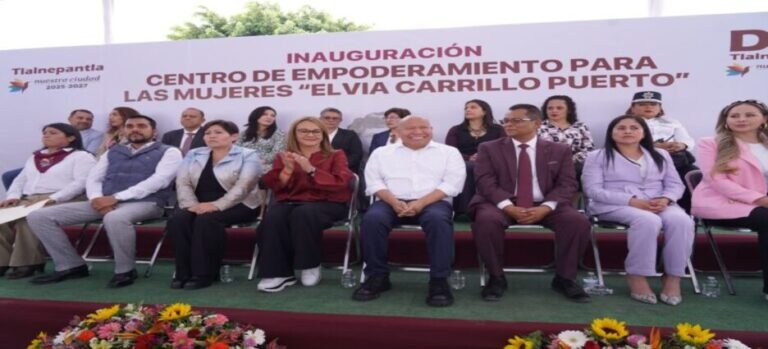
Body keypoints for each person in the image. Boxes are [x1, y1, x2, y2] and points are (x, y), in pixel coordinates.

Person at [27, 115, 182, 288]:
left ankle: (125, 270)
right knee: (39, 216)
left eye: (141, 126)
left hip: (147, 203)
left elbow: (160, 180)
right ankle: (70, 265)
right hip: (103, 201)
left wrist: (116, 198)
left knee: (115, 217)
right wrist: (95, 198)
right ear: (124, 130)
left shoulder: (169, 151)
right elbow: (94, 177)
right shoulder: (114, 151)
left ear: (154, 132)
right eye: (130, 126)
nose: (135, 129)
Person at [470, 104, 592, 303]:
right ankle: (496, 277)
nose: (508, 124)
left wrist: (546, 207)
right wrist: (508, 206)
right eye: (506, 120)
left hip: (546, 203)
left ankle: (565, 278)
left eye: (516, 120)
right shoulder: (489, 148)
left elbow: (567, 183)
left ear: (536, 123)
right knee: (486, 220)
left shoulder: (559, 150)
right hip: (501, 203)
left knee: (577, 222)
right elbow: (485, 182)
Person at [582, 114, 694, 306]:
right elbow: (592, 190)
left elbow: (675, 184)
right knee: (648, 220)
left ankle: (673, 276)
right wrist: (632, 201)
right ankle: (637, 275)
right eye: (621, 128)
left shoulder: (661, 154)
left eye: (634, 128)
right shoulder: (597, 156)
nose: (627, 131)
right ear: (611, 133)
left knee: (682, 221)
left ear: (644, 133)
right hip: (614, 204)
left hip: (659, 202)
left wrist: (666, 198)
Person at [354, 116, 465, 307]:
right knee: (372, 219)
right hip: (390, 201)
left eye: (423, 127)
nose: (418, 132)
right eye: (410, 128)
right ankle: (377, 276)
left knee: (438, 220)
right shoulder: (381, 153)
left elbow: (452, 184)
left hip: (433, 201)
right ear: (397, 131)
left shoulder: (449, 152)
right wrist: (394, 202)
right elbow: (374, 183)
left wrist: (421, 203)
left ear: (431, 129)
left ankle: (439, 280)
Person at [256, 117, 353, 292]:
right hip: (292, 201)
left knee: (303, 214)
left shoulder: (336, 155)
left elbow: (341, 183)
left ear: (323, 134)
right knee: (273, 217)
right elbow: (274, 186)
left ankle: (310, 265)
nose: (310, 134)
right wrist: (287, 170)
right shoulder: (284, 156)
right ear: (294, 134)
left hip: (328, 203)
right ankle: (278, 273)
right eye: (304, 131)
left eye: (315, 131)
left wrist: (310, 169)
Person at [168, 120, 262, 290]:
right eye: (208, 133)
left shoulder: (248, 154)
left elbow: (245, 185)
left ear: (234, 136)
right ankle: (183, 273)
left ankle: (204, 274)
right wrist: (191, 205)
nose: (211, 136)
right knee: (179, 219)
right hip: (198, 203)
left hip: (240, 204)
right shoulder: (194, 153)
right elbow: (182, 181)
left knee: (207, 220)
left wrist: (216, 205)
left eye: (218, 132)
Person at [691, 100, 768, 301]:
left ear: (764, 119)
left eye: (749, 115)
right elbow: (716, 180)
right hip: (722, 203)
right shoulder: (710, 143)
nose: (741, 119)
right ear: (725, 121)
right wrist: (760, 199)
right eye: (734, 116)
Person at [0, 124, 96, 279]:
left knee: (29, 219)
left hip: (65, 198)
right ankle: (2, 262)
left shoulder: (81, 156)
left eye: (53, 132)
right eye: (45, 132)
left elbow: (81, 182)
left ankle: (28, 263)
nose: (46, 135)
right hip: (30, 198)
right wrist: (13, 196)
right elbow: (20, 180)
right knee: (2, 217)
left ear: (71, 138)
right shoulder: (35, 157)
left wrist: (54, 198)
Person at [627, 91, 696, 212]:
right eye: (642, 104)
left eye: (653, 104)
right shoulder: (626, 122)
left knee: (691, 174)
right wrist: (655, 146)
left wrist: (681, 145)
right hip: (641, 160)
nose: (648, 107)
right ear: (633, 108)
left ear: (660, 107)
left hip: (674, 160)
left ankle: (688, 211)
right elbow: (623, 143)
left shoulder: (672, 122)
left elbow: (687, 140)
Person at [2, 108, 104, 189]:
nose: (84, 121)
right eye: (80, 118)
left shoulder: (96, 136)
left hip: (70, 163)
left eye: (88, 119)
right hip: (48, 160)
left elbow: (91, 153)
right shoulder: (56, 129)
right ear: (70, 119)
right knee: (11, 177)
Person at [445, 99, 505, 215]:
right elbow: (450, 150)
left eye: (473, 107)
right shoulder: (455, 130)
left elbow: (503, 147)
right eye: (466, 108)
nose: (468, 110)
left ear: (484, 111)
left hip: (491, 161)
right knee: (468, 167)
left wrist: (484, 157)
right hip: (462, 162)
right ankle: (464, 210)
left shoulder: (498, 129)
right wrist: (468, 158)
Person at [538, 95, 595, 176]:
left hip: (574, 167)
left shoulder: (580, 126)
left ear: (569, 110)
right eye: (550, 108)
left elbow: (589, 149)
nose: (554, 111)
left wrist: (569, 160)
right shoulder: (537, 127)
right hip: (545, 167)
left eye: (559, 108)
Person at [237, 106, 286, 172]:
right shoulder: (245, 133)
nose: (269, 117)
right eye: (265, 114)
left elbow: (277, 153)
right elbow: (236, 150)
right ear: (256, 116)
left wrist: (257, 161)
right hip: (244, 163)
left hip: (266, 166)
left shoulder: (279, 133)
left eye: (273, 116)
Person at [320, 107, 363, 174]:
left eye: (335, 118)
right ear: (320, 119)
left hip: (342, 172)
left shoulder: (350, 135)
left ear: (340, 120)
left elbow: (356, 155)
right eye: (327, 118)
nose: (331, 120)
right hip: (316, 170)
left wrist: (339, 166)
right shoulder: (312, 134)